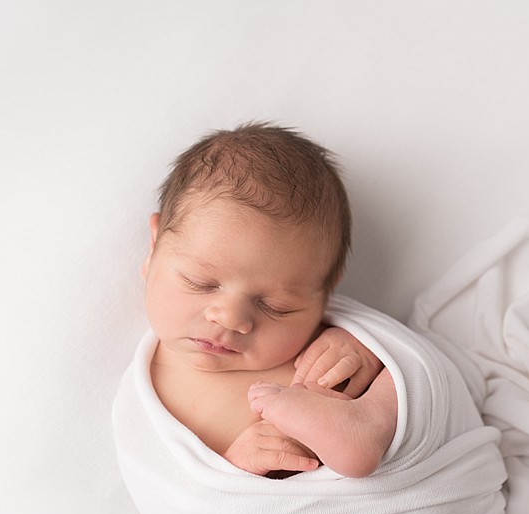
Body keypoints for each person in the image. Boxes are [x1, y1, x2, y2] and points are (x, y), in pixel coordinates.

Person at [139, 122, 395, 478]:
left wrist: (372, 352)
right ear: (154, 247)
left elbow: (421, 366)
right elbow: (172, 495)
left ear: (324, 293)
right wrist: (235, 468)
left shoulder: (327, 341)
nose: (229, 318)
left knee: (408, 382)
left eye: (276, 305)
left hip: (413, 493)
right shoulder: (140, 405)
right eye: (201, 283)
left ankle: (374, 420)